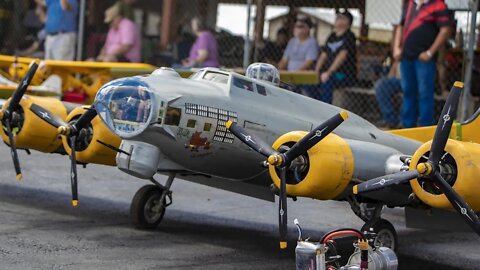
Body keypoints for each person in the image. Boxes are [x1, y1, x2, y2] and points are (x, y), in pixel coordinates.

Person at [394, 0, 451, 128]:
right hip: (406, 57)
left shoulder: (438, 4)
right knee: (408, 91)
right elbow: (400, 26)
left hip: (424, 59)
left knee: (425, 93)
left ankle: (425, 128)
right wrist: (396, 48)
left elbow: (445, 30)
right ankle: (407, 127)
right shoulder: (410, 4)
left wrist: (430, 52)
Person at [311, 10, 356, 104]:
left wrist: (329, 72)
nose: (337, 19)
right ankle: (317, 105)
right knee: (309, 83)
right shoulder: (332, 36)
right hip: (327, 73)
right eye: (337, 17)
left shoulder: (350, 36)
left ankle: (325, 110)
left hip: (344, 75)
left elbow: (342, 56)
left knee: (327, 81)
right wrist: (316, 71)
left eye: (340, 17)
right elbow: (323, 55)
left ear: (347, 22)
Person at [375, 59, 402, 129]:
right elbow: (391, 75)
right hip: (398, 80)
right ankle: (390, 120)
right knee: (381, 85)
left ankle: (404, 122)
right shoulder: (399, 54)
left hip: (412, 80)